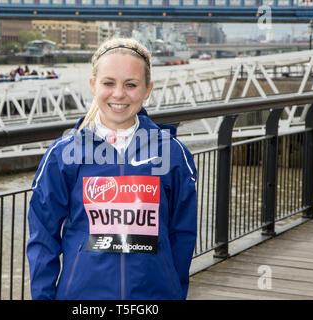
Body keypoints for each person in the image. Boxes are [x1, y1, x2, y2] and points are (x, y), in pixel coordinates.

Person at [27, 38, 197, 300]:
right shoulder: (63, 155)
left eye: (131, 85)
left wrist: (175, 292)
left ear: (147, 89)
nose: (119, 94)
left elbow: (182, 235)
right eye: (109, 83)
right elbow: (43, 239)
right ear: (93, 86)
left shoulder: (173, 154)